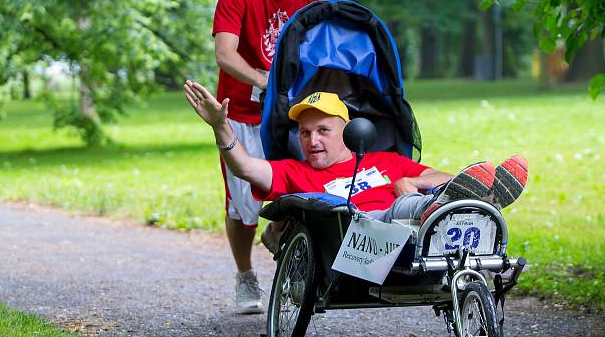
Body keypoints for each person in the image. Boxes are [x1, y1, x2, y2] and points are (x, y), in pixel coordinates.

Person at [184, 81, 529, 230]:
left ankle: (479, 202)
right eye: (304, 133)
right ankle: (466, 207)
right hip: (361, 237)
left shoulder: (387, 162)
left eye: (323, 131)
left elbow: (445, 177)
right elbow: (244, 168)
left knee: (434, 193)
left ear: (348, 133)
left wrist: (410, 180)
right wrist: (221, 127)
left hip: (415, 233)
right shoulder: (293, 171)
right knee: (404, 207)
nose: (311, 140)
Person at [212, 0, 331, 314]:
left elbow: (327, 48)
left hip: (296, 112)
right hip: (244, 111)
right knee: (244, 206)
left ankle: (286, 244)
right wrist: (265, 80)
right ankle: (245, 276)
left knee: (307, 184)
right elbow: (225, 54)